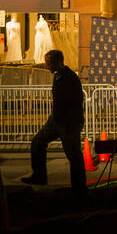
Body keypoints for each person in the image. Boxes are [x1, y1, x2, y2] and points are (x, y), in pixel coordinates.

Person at [21, 50, 87, 195]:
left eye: (50, 63)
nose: (47, 66)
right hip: (57, 120)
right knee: (37, 142)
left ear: (59, 61)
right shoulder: (58, 76)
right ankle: (39, 176)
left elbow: (75, 102)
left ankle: (79, 187)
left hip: (68, 122)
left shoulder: (69, 78)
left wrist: (71, 123)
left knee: (73, 154)